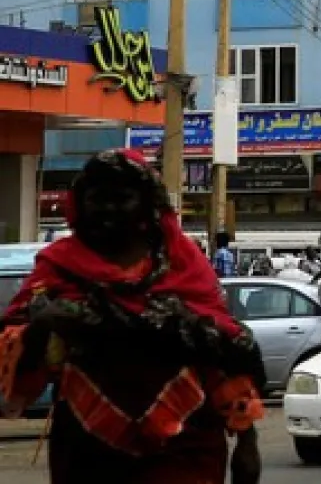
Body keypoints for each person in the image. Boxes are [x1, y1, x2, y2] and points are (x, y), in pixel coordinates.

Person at [0, 149, 266, 484]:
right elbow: (17, 343)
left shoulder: (184, 263)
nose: (109, 209)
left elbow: (224, 350)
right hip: (87, 448)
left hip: (186, 445)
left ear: (146, 203)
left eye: (123, 198)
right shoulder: (58, 266)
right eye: (97, 198)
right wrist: (44, 323)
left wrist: (247, 442)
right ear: (80, 203)